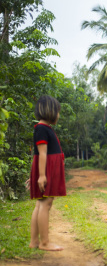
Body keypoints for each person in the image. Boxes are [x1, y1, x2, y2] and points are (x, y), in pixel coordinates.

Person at [29, 95, 66, 251]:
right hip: (47, 170)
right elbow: (42, 154)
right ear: (50, 111)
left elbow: (38, 156)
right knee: (46, 204)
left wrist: (37, 174)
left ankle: (34, 242)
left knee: (40, 204)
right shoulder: (42, 129)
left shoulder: (43, 128)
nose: (58, 115)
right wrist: (42, 175)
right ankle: (44, 243)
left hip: (46, 168)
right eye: (57, 111)